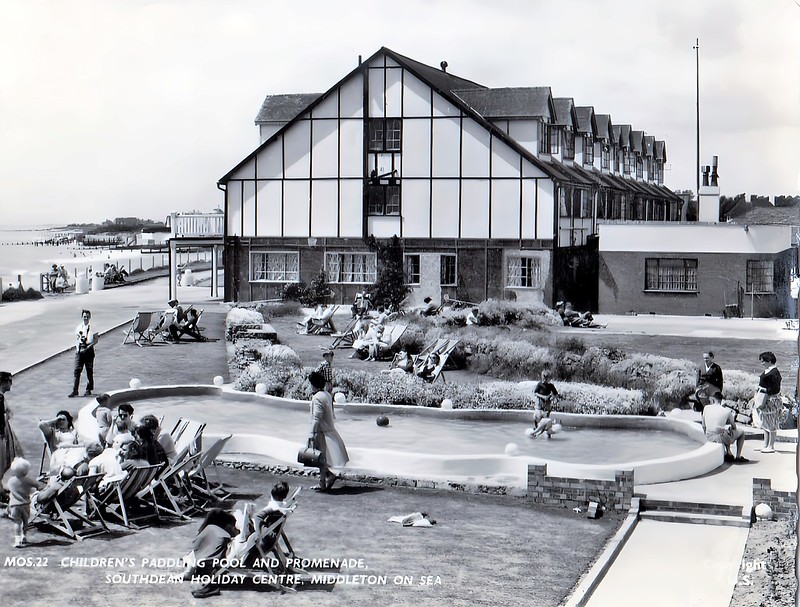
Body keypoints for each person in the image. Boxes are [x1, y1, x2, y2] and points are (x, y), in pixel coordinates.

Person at [307, 371, 348, 492]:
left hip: (321, 431)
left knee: (319, 458)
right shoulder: (327, 394)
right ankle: (324, 482)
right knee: (322, 458)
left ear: (313, 384)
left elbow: (316, 417)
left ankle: (326, 479)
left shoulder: (317, 397)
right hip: (328, 429)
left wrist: (311, 433)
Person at [185, 508, 239, 598]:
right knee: (214, 514)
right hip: (236, 531)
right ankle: (199, 543)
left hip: (233, 537)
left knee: (212, 521)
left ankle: (198, 543)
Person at [2, 457, 39, 547]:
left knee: (17, 522)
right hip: (26, 504)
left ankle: (17, 539)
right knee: (25, 521)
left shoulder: (11, 480)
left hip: (14, 505)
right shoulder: (27, 480)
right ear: (26, 471)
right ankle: (24, 536)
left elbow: (6, 488)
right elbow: (37, 485)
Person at [702, 392, 747, 463]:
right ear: (721, 400)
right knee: (741, 432)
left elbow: (703, 426)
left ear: (713, 400)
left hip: (708, 437)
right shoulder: (727, 411)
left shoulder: (706, 408)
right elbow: (734, 427)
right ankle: (738, 456)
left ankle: (728, 452)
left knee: (724, 431)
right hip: (721, 437)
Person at [752, 351, 783, 454]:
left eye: (763, 361)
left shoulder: (774, 372)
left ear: (769, 361)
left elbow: (774, 389)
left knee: (772, 424)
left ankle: (771, 446)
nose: (762, 363)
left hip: (771, 401)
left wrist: (764, 396)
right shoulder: (768, 370)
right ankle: (766, 445)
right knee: (765, 424)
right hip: (765, 398)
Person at [0, 372, 23, 501]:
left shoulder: (1, 397)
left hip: (4, 430)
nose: (11, 384)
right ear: (3, 382)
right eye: (9, 381)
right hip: (1, 432)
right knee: (1, 460)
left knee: (5, 460)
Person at [69, 309, 98, 397]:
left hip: (88, 349)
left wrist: (88, 347)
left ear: (90, 317)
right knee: (77, 370)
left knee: (89, 370)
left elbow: (96, 340)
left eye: (87, 317)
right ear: (82, 317)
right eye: (84, 316)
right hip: (80, 349)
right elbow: (77, 339)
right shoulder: (79, 327)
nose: (86, 318)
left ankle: (88, 389)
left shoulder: (93, 327)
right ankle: (75, 390)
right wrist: (77, 349)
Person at [529, 371, 559, 438]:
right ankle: (536, 430)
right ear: (542, 377)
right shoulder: (540, 384)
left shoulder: (551, 386)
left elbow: (556, 394)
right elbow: (536, 393)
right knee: (536, 417)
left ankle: (546, 435)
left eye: (546, 378)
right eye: (544, 378)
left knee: (545, 421)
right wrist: (543, 397)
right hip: (539, 405)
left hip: (546, 407)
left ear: (549, 378)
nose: (545, 380)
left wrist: (552, 398)